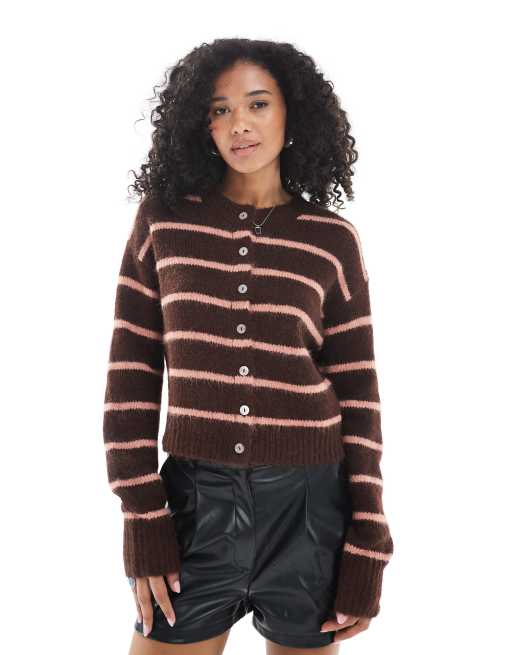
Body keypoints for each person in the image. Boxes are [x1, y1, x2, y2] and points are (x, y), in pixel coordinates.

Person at [103, 38, 394, 654]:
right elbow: (130, 375)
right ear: (199, 124)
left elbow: (359, 397)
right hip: (194, 506)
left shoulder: (331, 241)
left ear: (292, 113)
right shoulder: (162, 222)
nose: (239, 124)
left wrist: (368, 538)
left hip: (309, 512)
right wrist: (142, 515)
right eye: (220, 109)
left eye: (258, 104)